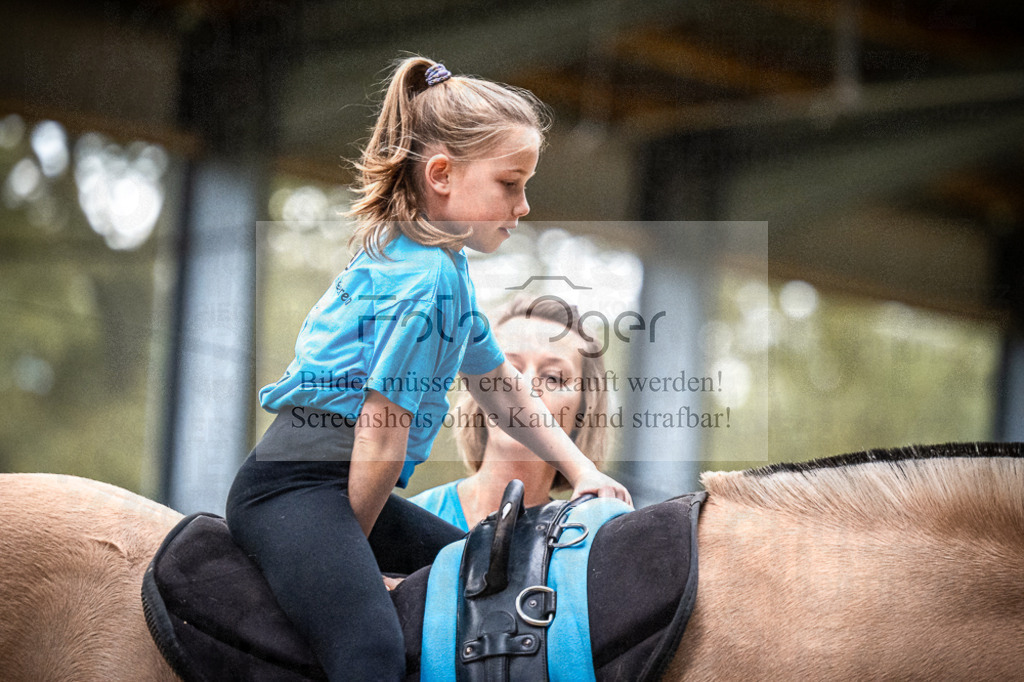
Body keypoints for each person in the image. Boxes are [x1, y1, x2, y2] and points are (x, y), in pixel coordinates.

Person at [225, 57, 631, 682]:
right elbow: (381, 440)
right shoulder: (423, 284)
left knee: (477, 577)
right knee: (370, 653)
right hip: (295, 488)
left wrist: (581, 471)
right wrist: (352, 557)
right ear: (441, 174)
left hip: (341, 482)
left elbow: (500, 389)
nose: (523, 205)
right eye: (510, 183)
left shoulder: (442, 269)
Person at [410, 295, 611, 531]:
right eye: (509, 372)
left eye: (554, 377)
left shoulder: (584, 540)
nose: (524, 387)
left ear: (584, 412)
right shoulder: (405, 522)